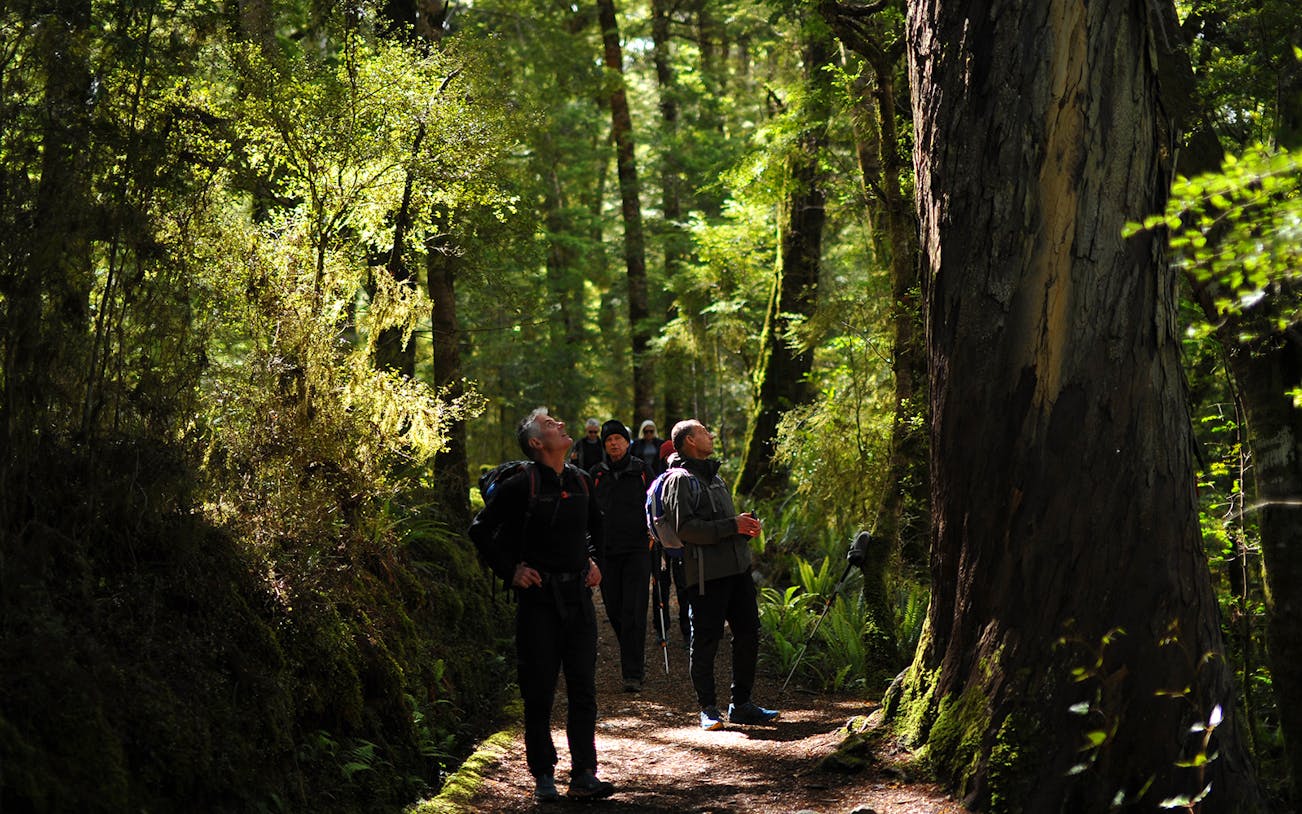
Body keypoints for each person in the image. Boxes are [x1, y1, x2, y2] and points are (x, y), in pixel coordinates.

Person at [468, 408, 616, 802]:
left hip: (578, 601)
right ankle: (543, 776)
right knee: (539, 692)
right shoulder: (520, 486)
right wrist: (510, 571)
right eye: (551, 425)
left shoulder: (581, 480)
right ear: (536, 443)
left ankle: (584, 772)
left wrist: (595, 561)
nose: (561, 425)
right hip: (538, 605)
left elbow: (596, 527)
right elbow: (480, 529)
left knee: (583, 689)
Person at [662, 418, 780, 731]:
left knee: (748, 632)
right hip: (705, 575)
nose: (710, 434)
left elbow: (724, 524)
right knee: (705, 640)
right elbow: (685, 529)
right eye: (703, 431)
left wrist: (744, 528)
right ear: (689, 440)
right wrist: (732, 526)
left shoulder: (716, 477)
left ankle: (741, 704)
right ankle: (708, 709)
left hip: (737, 570)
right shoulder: (680, 480)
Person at [589, 419, 654, 692]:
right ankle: (631, 653)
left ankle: (633, 672)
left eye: (618, 438)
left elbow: (656, 505)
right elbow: (588, 514)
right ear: (604, 445)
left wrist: (656, 536)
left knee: (634, 611)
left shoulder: (642, 470)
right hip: (607, 553)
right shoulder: (596, 474)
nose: (613, 443)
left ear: (628, 442)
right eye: (608, 440)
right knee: (615, 610)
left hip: (638, 550)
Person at [651, 439, 690, 648]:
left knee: (681, 587)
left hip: (677, 543)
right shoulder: (659, 482)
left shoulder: (684, 480)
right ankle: (663, 629)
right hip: (663, 545)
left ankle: (684, 630)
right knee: (662, 587)